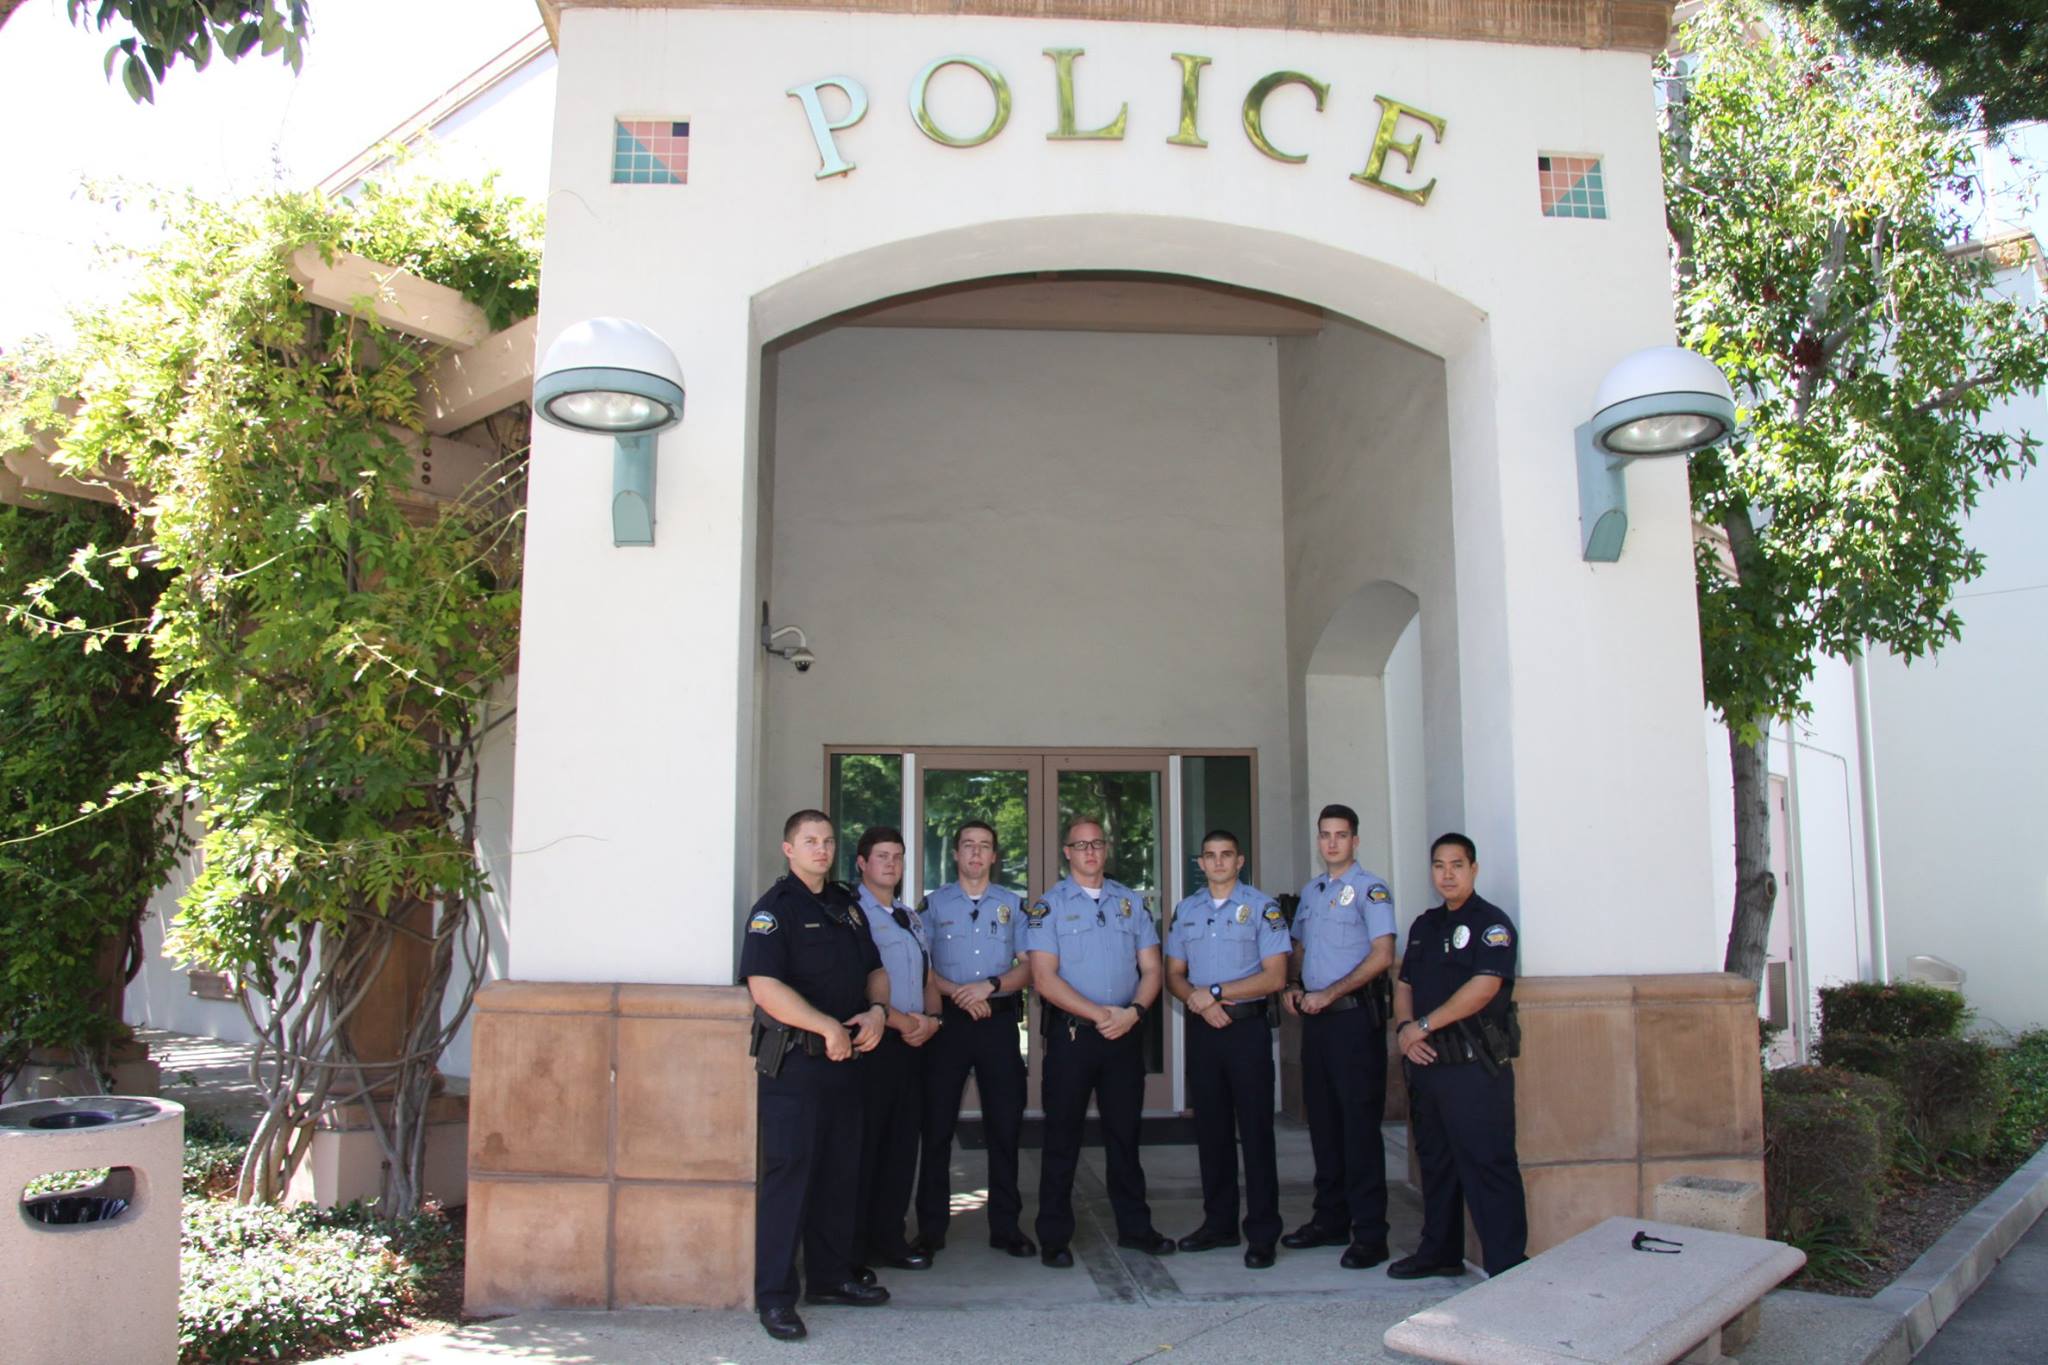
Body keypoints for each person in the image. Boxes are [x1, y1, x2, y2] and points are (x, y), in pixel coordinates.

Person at [740, 809, 894, 1342]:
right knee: (790, 1179)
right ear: (789, 849)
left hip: (847, 1061)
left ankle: (830, 1279)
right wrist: (824, 1025)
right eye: (810, 841)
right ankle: (775, 1298)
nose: (822, 849)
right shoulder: (774, 910)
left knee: (838, 1174)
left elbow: (875, 970)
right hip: (797, 1064)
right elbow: (764, 986)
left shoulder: (846, 906)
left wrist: (877, 1012)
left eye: (828, 841)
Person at [1022, 817, 1176, 1267]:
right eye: (1080, 845)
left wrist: (1134, 1012)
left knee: (1125, 1135)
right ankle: (1054, 1236)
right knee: (1061, 1135)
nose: (1089, 852)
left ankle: (1136, 1228)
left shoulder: (1130, 902)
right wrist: (1099, 1014)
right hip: (1073, 1036)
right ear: (1067, 852)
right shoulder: (1048, 907)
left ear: (1105, 849)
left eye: (1096, 844)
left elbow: (1152, 968)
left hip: (1124, 1034)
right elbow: (1044, 978)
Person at [1389, 832, 1528, 1280]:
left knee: (1489, 1164)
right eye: (1439, 866)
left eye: (1456, 865)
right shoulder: (1425, 925)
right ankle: (1440, 1251)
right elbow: (1405, 984)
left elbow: (1484, 988)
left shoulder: (1492, 924)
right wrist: (1405, 1032)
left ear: (1473, 869)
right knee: (1436, 1163)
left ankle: (1508, 1266)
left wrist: (1424, 1026)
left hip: (1474, 1068)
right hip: (1428, 1065)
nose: (1447, 875)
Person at [1279, 803, 1400, 1269]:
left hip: (1353, 1020)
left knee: (1358, 1128)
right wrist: (1293, 984)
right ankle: (1330, 1219)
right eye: (1325, 835)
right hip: (1316, 1022)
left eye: (1341, 835)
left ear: (1355, 841)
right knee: (1324, 1124)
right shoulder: (1312, 892)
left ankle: (1370, 1233)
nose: (1332, 843)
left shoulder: (1371, 889)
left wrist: (1330, 993)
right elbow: (1299, 946)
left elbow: (1382, 954)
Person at [1165, 829, 1291, 1268]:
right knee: (1211, 1130)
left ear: (1240, 861)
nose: (1218, 862)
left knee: (1255, 1132)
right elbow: (1174, 974)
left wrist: (1215, 993)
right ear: (1200, 863)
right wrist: (1197, 1000)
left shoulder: (1263, 908)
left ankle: (1262, 1232)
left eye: (1226, 855)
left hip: (1246, 1031)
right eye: (1210, 856)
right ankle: (1218, 1224)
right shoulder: (1186, 910)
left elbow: (1275, 976)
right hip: (1204, 1031)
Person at [916, 820, 1035, 1258]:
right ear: (956, 853)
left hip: (998, 1024)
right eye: (968, 845)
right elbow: (922, 964)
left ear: (994, 856)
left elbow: (1030, 967)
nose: (976, 853)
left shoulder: (1013, 905)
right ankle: (930, 1229)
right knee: (937, 1128)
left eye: (985, 846)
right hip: (947, 1025)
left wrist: (990, 986)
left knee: (1004, 1127)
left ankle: (1006, 1227)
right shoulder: (933, 904)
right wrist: (959, 994)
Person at [849, 826, 940, 1273]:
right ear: (862, 863)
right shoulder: (852, 914)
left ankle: (890, 1238)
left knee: (902, 1147)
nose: (891, 864)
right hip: (875, 1045)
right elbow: (861, 981)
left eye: (897, 856)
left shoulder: (909, 916)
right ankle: (854, 1249)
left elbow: (928, 978)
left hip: (914, 1045)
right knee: (866, 1148)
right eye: (881, 856)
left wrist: (933, 1020)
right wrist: (905, 1023)